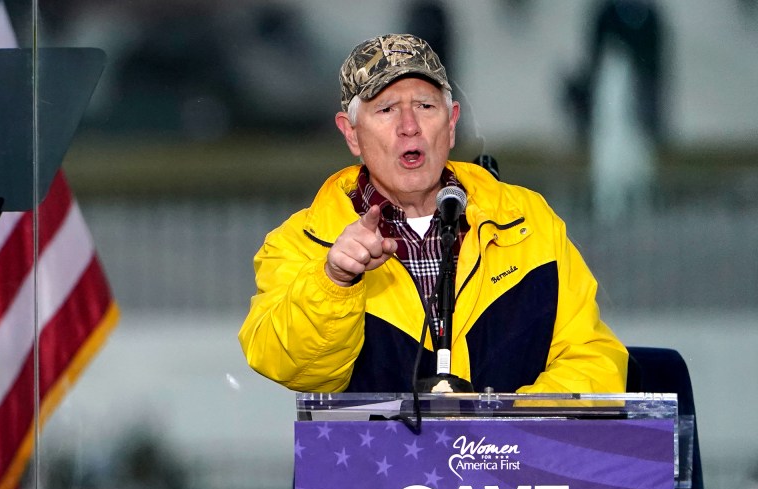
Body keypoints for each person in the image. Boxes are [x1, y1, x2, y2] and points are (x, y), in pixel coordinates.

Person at [239, 33, 627, 394]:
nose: (409, 127)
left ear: (452, 122)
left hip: (515, 464)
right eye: (387, 109)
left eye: (425, 106)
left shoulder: (527, 221)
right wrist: (335, 279)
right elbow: (289, 365)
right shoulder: (303, 242)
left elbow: (594, 358)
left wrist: (501, 432)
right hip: (381, 467)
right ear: (352, 133)